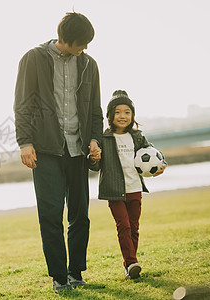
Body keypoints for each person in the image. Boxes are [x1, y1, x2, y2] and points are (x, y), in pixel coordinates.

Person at [13, 12, 103, 292]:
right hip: (46, 149)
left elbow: (95, 109)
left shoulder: (89, 65)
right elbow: (22, 103)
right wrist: (24, 141)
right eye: (82, 43)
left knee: (80, 215)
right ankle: (59, 278)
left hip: (78, 149)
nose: (85, 48)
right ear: (66, 39)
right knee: (50, 214)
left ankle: (76, 272)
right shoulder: (33, 58)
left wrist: (95, 139)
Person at [89, 90, 166, 279]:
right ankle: (132, 262)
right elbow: (96, 166)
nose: (122, 116)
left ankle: (129, 264)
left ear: (132, 115)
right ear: (109, 116)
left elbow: (154, 156)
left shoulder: (138, 137)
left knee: (133, 227)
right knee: (123, 225)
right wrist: (94, 158)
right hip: (114, 191)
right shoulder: (103, 138)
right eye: (117, 112)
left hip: (135, 189)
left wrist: (162, 166)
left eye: (127, 112)